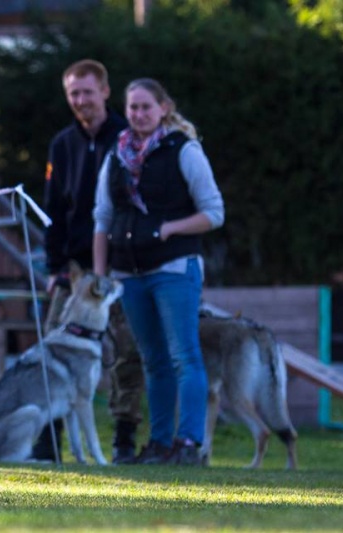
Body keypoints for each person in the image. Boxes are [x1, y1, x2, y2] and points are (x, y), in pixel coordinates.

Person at [92, 78, 225, 466]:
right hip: (128, 272)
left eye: (146, 107)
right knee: (153, 360)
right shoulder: (116, 154)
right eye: (132, 107)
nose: (138, 114)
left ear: (164, 108)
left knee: (185, 355)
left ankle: (189, 444)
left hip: (173, 267)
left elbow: (214, 213)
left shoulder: (184, 150)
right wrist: (101, 275)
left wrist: (171, 228)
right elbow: (102, 217)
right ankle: (160, 443)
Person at [38, 59, 145, 464]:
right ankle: (49, 442)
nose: (80, 100)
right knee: (52, 348)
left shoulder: (128, 137)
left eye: (86, 91)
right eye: (73, 94)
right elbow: (53, 209)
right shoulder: (62, 144)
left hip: (121, 267)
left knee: (126, 352)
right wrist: (54, 267)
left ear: (104, 91)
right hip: (74, 271)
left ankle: (123, 440)